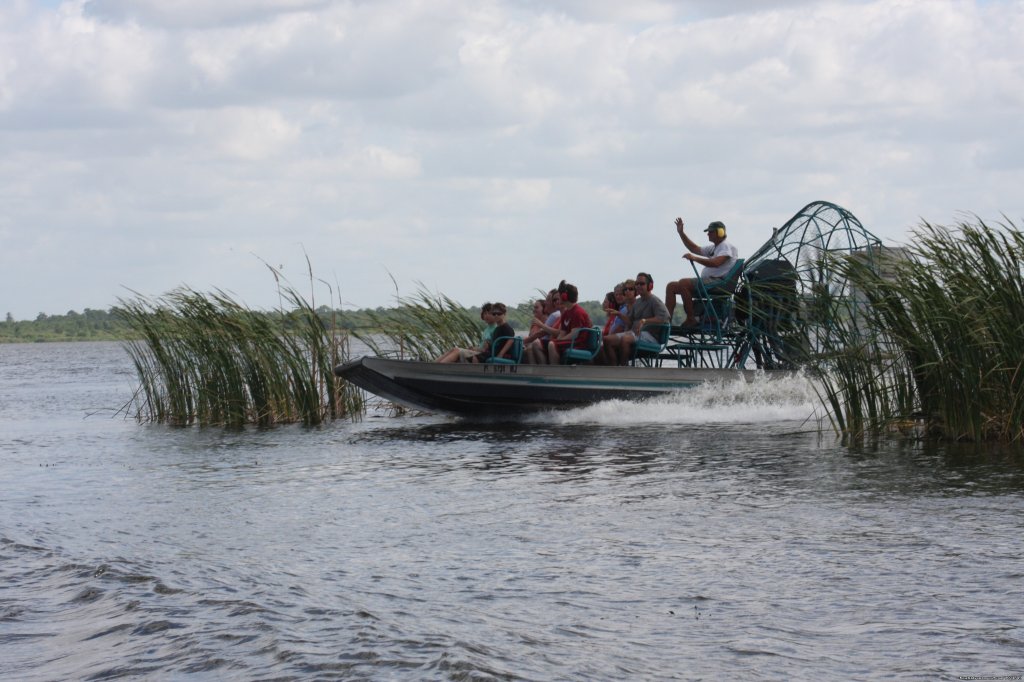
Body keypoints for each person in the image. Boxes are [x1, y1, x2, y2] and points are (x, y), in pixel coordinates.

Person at [665, 218, 739, 327]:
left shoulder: (726, 246)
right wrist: (681, 233)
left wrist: (694, 258)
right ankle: (666, 323)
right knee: (671, 286)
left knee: (683, 283)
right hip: (710, 282)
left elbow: (716, 263)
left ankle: (691, 319)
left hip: (718, 283)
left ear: (720, 232)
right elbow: (694, 248)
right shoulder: (715, 247)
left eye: (711, 231)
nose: (708, 234)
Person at [616, 272, 670, 365]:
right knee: (607, 341)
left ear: (650, 286)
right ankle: (611, 369)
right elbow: (630, 321)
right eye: (637, 284)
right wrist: (618, 314)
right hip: (635, 334)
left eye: (642, 284)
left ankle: (623, 370)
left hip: (650, 336)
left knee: (625, 339)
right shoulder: (637, 302)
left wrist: (645, 321)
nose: (638, 286)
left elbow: (665, 318)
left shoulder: (654, 300)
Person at [547, 280, 593, 364]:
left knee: (552, 344)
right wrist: (559, 340)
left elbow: (574, 334)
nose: (559, 298)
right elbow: (562, 332)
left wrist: (558, 341)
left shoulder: (578, 312)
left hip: (578, 343)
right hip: (571, 341)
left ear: (565, 296)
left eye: (560, 295)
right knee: (549, 343)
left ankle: (556, 371)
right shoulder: (566, 313)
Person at [523, 289, 561, 364]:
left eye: (548, 300)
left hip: (548, 343)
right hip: (546, 342)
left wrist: (521, 342)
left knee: (532, 345)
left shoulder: (554, 315)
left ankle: (539, 370)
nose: (545, 302)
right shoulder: (556, 315)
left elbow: (540, 334)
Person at [599, 283, 629, 365]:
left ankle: (612, 369)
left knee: (599, 350)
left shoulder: (625, 309)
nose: (618, 296)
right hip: (614, 338)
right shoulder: (620, 309)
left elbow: (620, 328)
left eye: (621, 294)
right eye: (616, 294)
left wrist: (606, 338)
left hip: (618, 339)